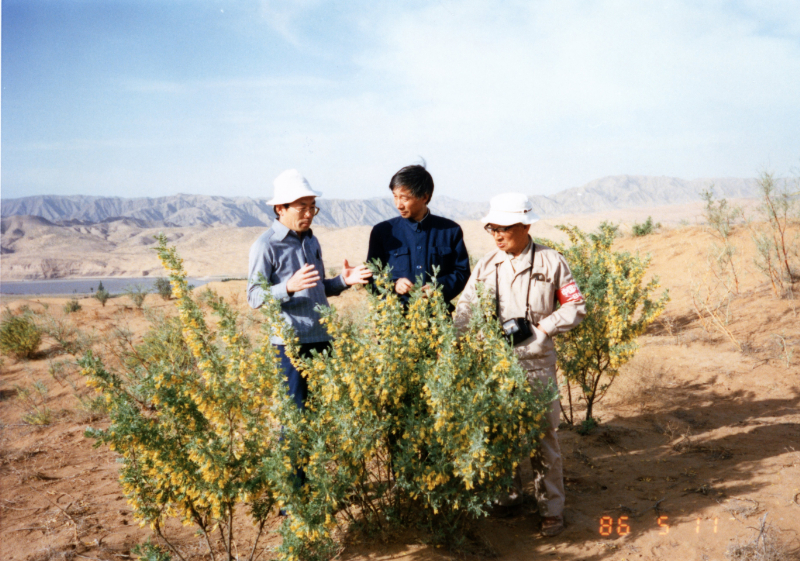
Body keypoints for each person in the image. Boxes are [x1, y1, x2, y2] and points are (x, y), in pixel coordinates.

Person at [454, 192, 586, 537]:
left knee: (543, 436)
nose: (497, 235)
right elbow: (465, 311)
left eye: (505, 228)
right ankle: (508, 497)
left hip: (536, 363)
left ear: (526, 225)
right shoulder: (486, 265)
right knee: (501, 432)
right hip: (494, 364)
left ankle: (552, 509)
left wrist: (545, 328)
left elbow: (575, 307)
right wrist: (459, 346)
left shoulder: (551, 262)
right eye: (492, 228)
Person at [247, 169, 372, 415]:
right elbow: (253, 296)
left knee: (326, 414)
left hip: (323, 338)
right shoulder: (266, 245)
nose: (309, 214)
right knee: (296, 417)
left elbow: (318, 287)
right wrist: (287, 287)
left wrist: (344, 281)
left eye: (312, 207)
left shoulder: (311, 241)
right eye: (301, 207)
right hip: (291, 345)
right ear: (280, 209)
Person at [366, 164, 470, 308]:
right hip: (396, 321)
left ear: (424, 197)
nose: (398, 205)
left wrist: (438, 288)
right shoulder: (382, 232)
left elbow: (461, 273)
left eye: (404, 198)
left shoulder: (450, 231)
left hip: (437, 320)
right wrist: (394, 285)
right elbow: (371, 276)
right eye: (395, 197)